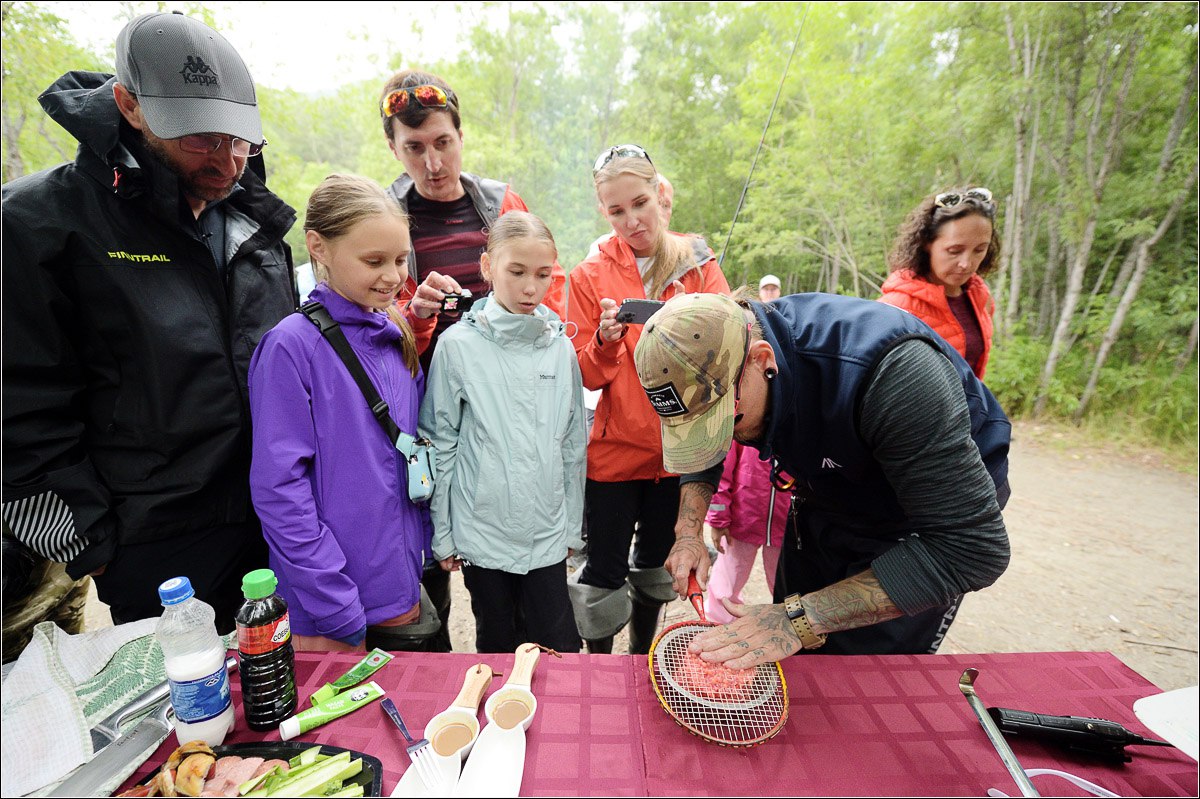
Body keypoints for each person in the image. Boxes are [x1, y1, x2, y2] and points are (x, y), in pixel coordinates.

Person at [2, 12, 295, 632]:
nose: (228, 162)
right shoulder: (36, 227)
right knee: (194, 718)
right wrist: (93, 544)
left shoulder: (253, 224)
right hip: (157, 546)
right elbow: (21, 408)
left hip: (279, 521)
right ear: (129, 106)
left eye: (239, 138)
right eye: (199, 139)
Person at [634, 291, 1011, 664]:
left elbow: (972, 549)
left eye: (724, 422)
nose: (724, 439)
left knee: (863, 675)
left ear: (762, 360)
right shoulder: (721, 345)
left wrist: (800, 618)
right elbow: (707, 445)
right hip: (827, 493)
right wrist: (687, 534)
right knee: (789, 646)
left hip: (919, 527)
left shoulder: (895, 375)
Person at [378, 70, 567, 649]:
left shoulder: (500, 203)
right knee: (429, 524)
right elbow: (373, 325)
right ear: (393, 148)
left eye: (442, 142)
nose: (432, 162)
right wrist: (417, 318)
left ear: (460, 134)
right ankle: (437, 637)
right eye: (414, 148)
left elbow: (544, 289)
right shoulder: (387, 215)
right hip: (424, 389)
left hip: (507, 394)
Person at [248, 174, 439, 652]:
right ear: (319, 247)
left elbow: (409, 450)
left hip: (398, 582)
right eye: (373, 261)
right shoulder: (291, 347)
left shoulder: (396, 334)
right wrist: (332, 598)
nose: (394, 276)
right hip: (327, 601)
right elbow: (279, 489)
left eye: (400, 259)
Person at [566, 145, 729, 655]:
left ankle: (641, 655)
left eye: (640, 203)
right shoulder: (588, 276)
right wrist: (606, 341)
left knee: (656, 563)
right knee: (604, 570)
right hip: (615, 456)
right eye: (617, 211)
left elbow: (731, 347)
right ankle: (600, 667)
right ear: (603, 211)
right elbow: (583, 373)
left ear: (661, 195)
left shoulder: (700, 264)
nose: (632, 220)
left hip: (680, 456)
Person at [419, 212, 584, 654]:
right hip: (481, 533)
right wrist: (444, 532)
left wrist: (570, 528)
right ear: (488, 266)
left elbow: (571, 444)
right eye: (517, 272)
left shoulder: (560, 348)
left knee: (559, 648)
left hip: (546, 534)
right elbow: (440, 442)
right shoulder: (457, 346)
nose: (531, 287)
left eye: (542, 274)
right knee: (497, 644)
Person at [700, 276, 790, 624]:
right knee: (726, 581)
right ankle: (717, 626)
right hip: (744, 517)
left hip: (785, 525)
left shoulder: (780, 400)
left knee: (785, 587)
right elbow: (724, 463)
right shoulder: (741, 412)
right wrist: (719, 517)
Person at [879, 187, 1000, 379]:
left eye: (979, 250)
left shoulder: (980, 298)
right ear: (927, 242)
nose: (966, 263)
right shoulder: (894, 308)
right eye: (954, 250)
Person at [587, 174, 675, 258]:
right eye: (617, 212)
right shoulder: (598, 254)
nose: (660, 212)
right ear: (604, 213)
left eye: (665, 206)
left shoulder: (685, 258)